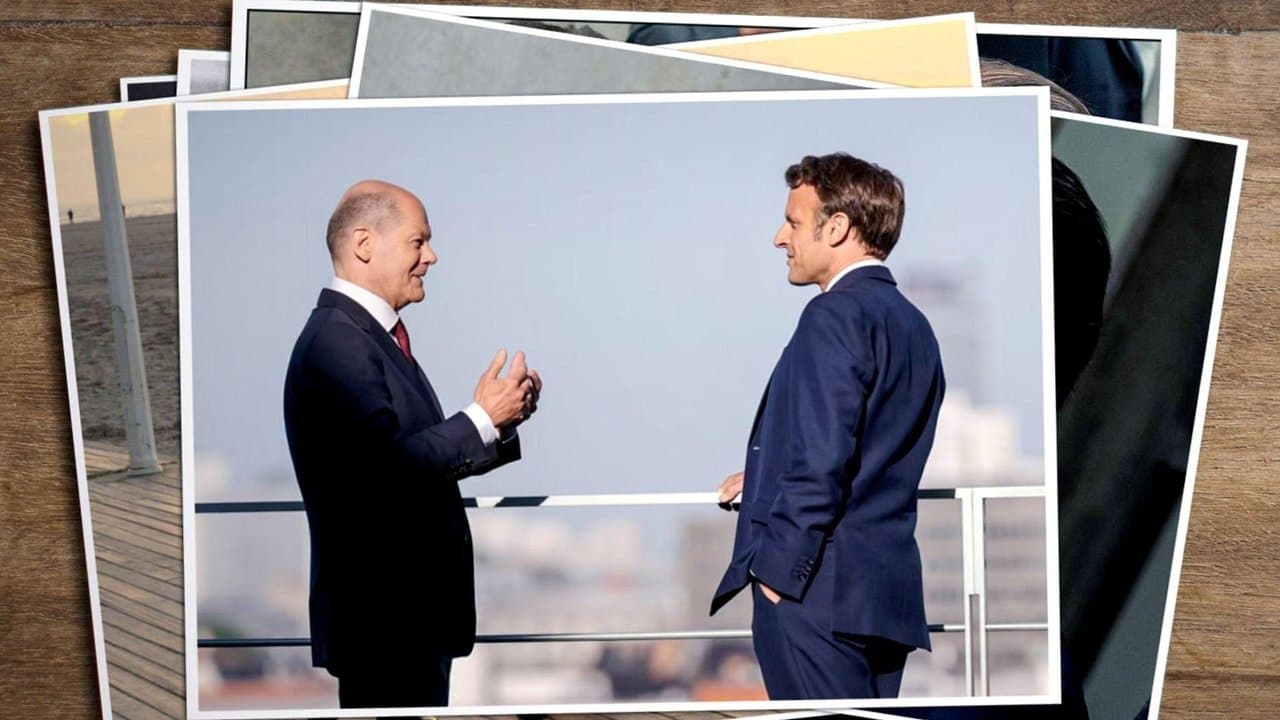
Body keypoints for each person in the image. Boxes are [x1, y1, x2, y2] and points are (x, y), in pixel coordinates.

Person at [282, 179, 541, 710]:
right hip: (383, 620)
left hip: (403, 622)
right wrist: (480, 418)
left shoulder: (367, 337)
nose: (432, 257)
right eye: (418, 242)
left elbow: (417, 458)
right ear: (364, 244)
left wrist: (499, 421)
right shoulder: (340, 344)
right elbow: (387, 473)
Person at [710, 153, 945, 700]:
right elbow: (874, 444)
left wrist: (776, 577)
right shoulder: (915, 326)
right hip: (884, 601)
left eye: (793, 222)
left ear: (836, 227)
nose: (779, 237)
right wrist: (766, 477)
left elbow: (824, 460)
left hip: (814, 598)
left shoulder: (833, 315)